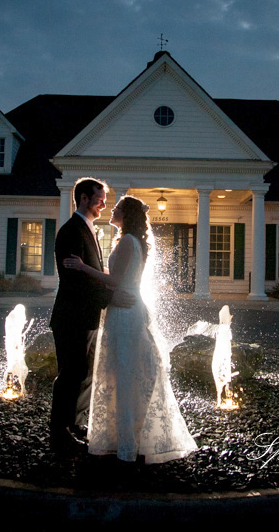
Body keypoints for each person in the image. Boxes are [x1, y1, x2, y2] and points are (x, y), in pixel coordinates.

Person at [64, 195, 197, 464]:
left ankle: (125, 444)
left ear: (127, 215)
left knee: (123, 374)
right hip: (128, 308)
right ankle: (126, 437)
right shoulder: (134, 242)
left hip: (124, 312)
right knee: (127, 373)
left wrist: (82, 267)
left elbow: (114, 280)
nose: (112, 209)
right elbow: (120, 276)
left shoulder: (127, 241)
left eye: (117, 207)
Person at [49, 177, 132, 452]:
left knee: (84, 374)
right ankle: (59, 433)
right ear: (84, 198)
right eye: (99, 198)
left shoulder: (90, 230)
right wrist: (111, 297)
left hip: (88, 315)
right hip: (71, 316)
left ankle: (75, 424)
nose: (104, 204)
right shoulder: (71, 231)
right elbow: (74, 280)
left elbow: (94, 275)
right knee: (70, 374)